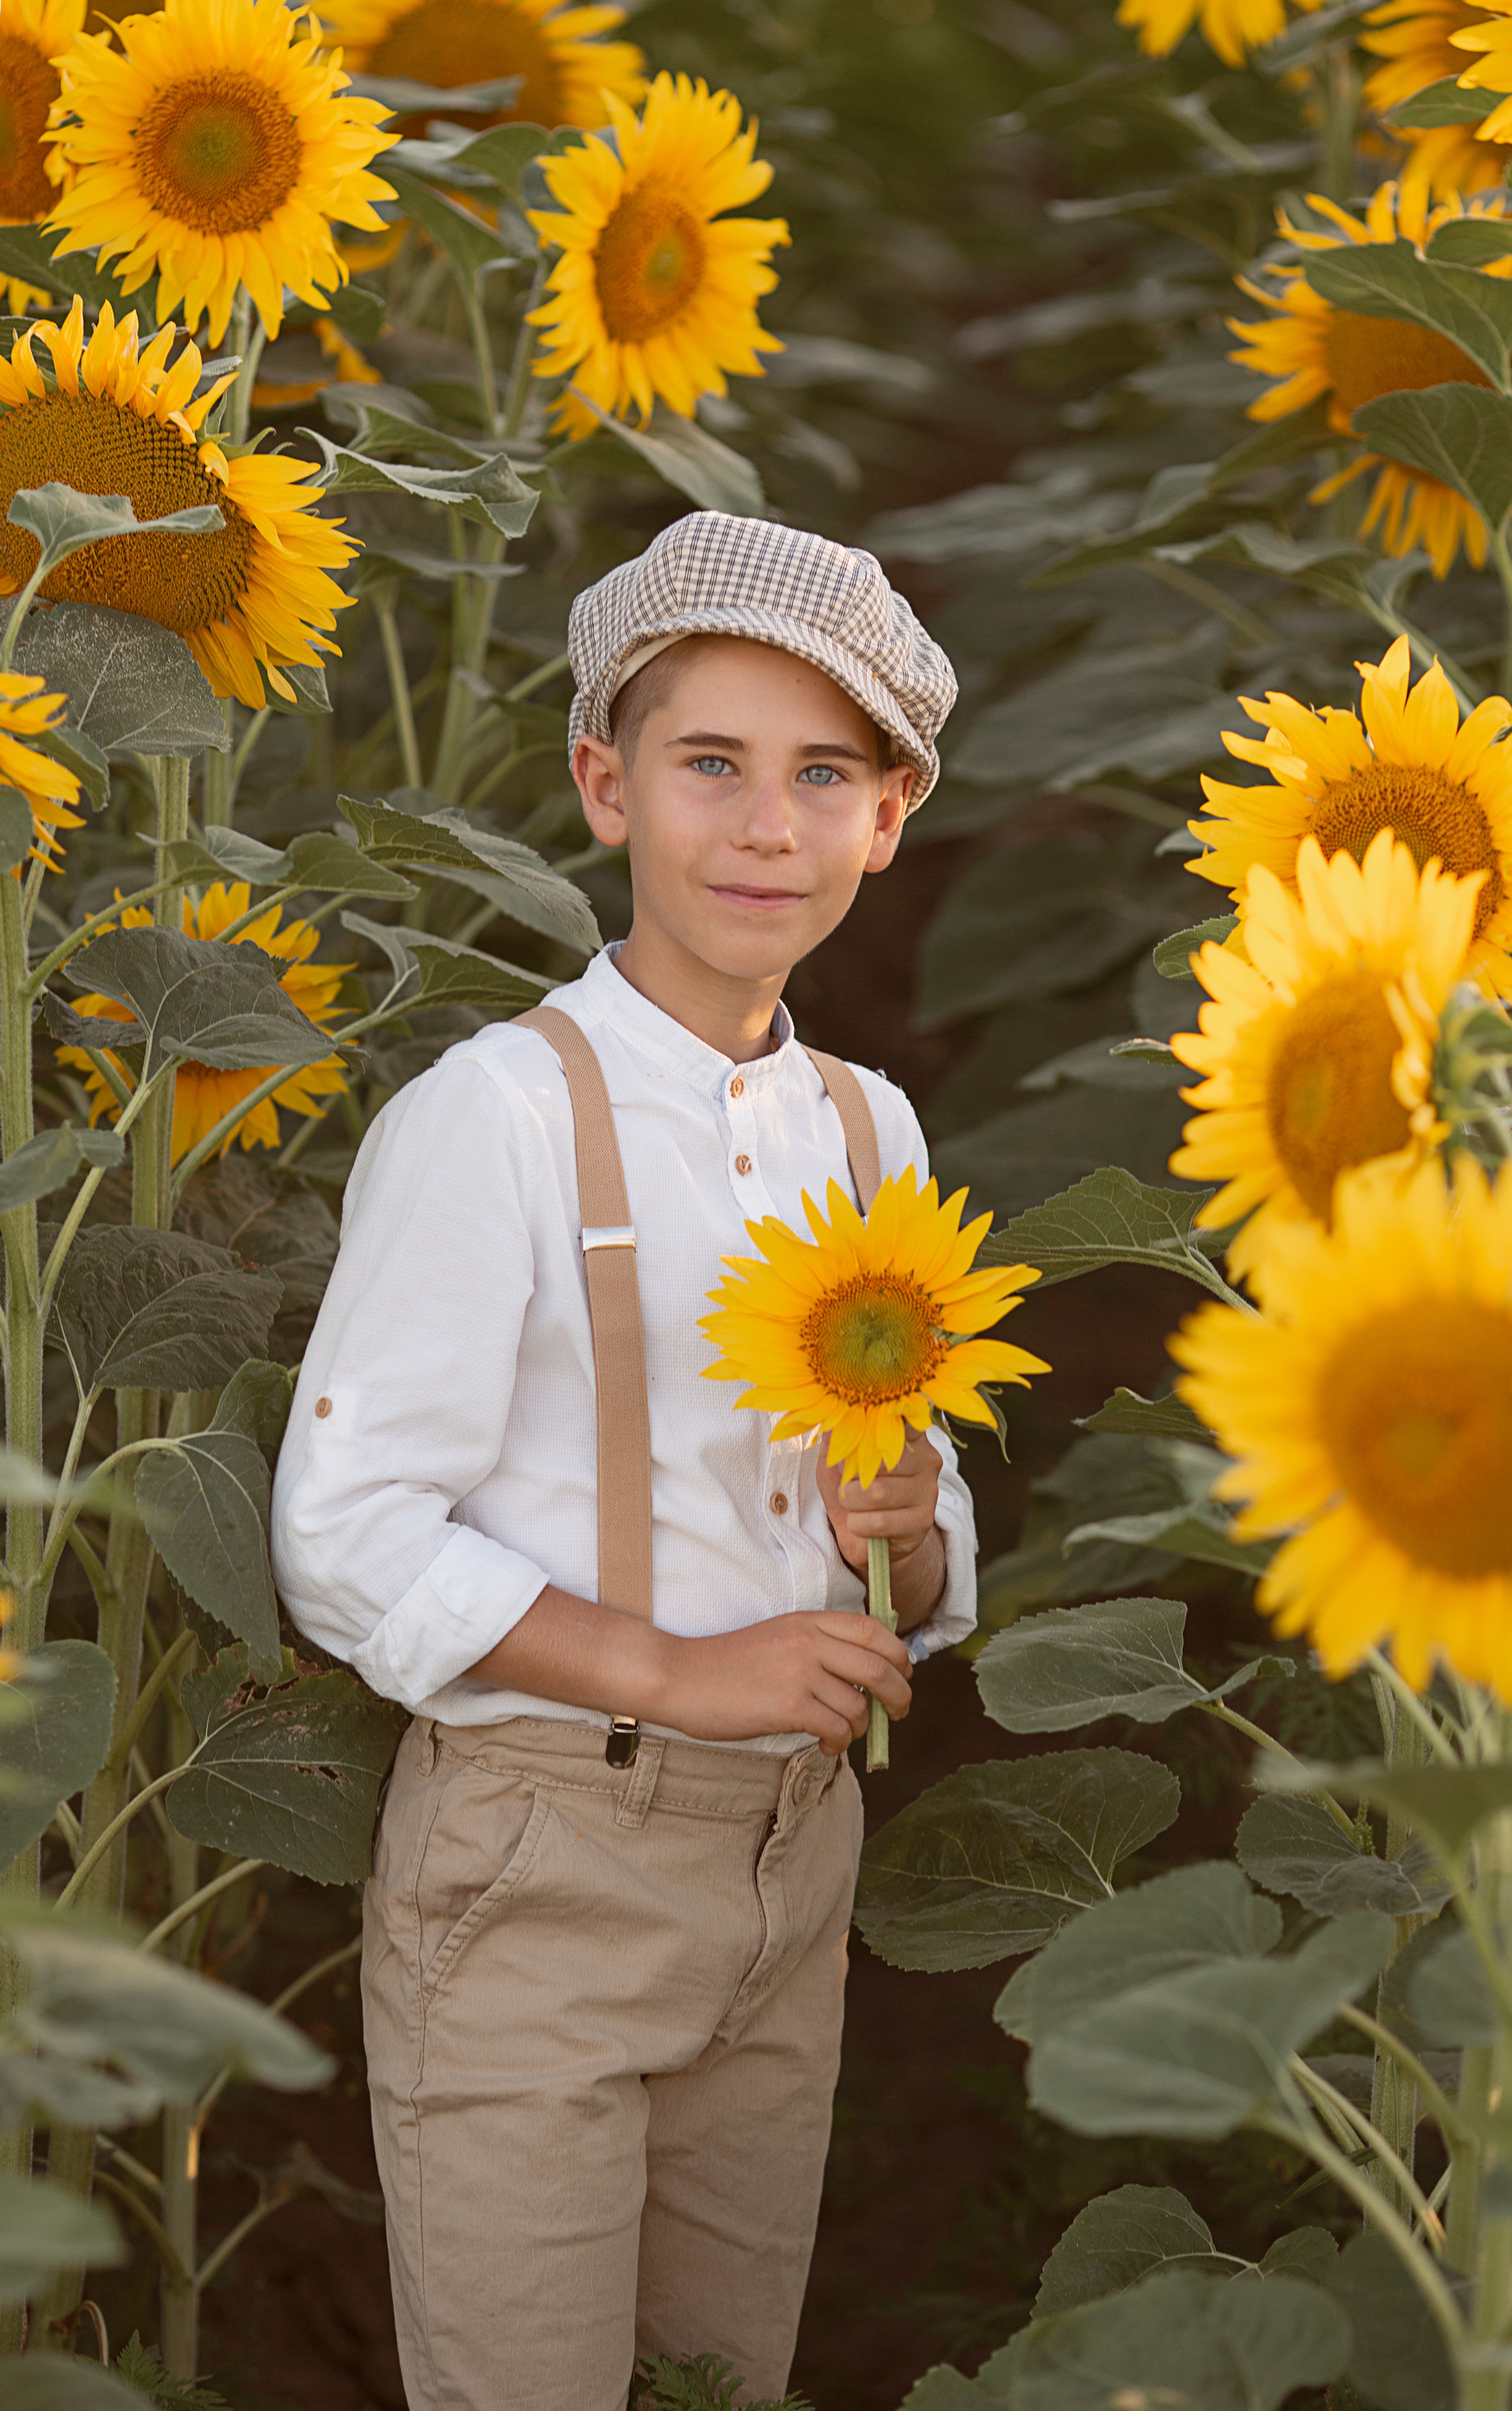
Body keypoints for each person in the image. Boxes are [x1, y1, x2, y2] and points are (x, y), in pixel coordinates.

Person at [271, 509, 977, 2411]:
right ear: (605, 784)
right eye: (711, 765)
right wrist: (673, 1668)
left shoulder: (867, 1125)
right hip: (541, 1869)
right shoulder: (493, 1117)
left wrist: (903, 1539)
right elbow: (345, 1532)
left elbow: (921, 1543)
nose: (767, 826)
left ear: (887, 816)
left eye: (822, 773)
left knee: (713, 2378)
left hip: (789, 1863)